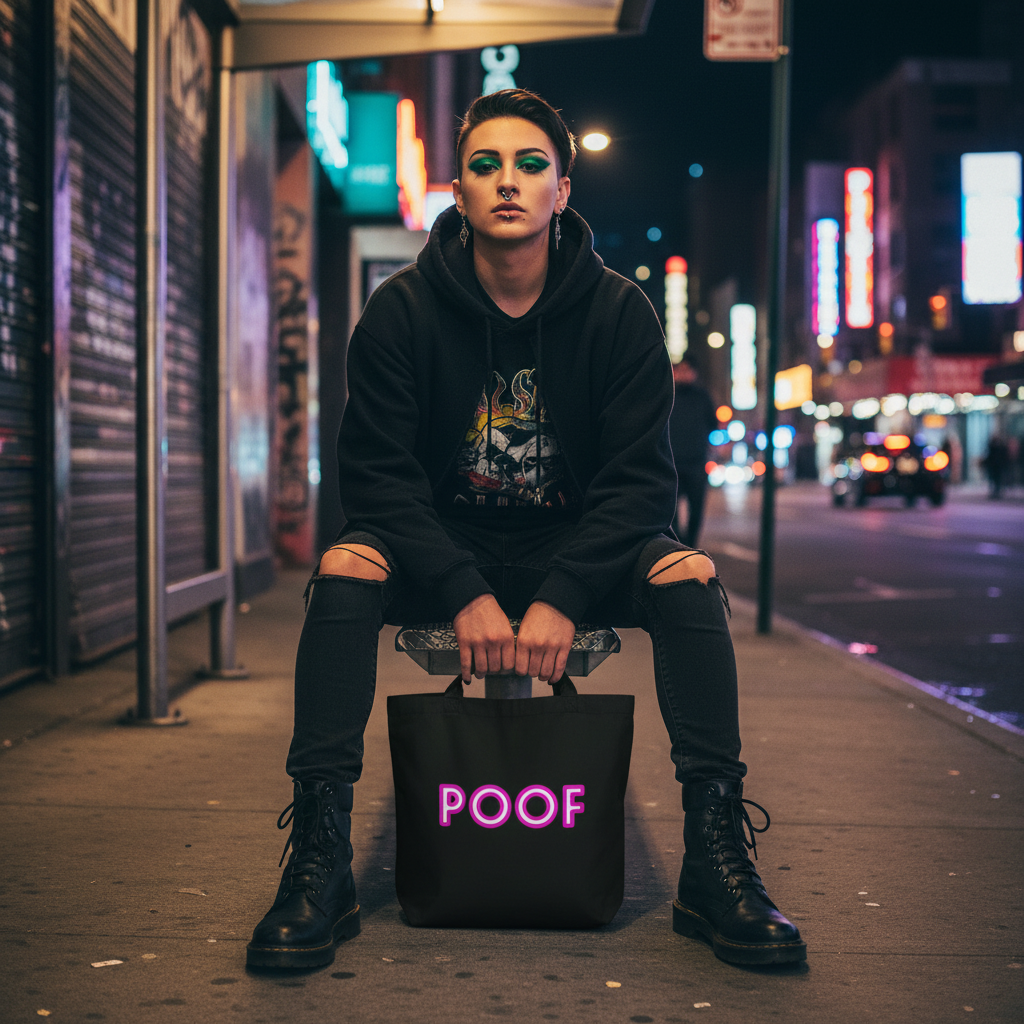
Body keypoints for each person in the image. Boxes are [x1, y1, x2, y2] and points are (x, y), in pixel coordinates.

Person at [246, 90, 805, 970]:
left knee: (687, 573)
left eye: (530, 164)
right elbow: (378, 480)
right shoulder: (400, 311)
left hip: (575, 551)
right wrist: (466, 591)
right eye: (485, 165)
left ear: (562, 190)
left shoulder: (620, 313)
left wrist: (564, 595)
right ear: (459, 193)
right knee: (346, 566)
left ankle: (715, 859)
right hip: (436, 552)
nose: (508, 181)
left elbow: (638, 486)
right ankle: (319, 859)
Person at [668, 358, 718, 547]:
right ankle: (678, 544)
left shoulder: (702, 397)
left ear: (695, 373)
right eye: (681, 370)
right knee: (670, 510)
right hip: (672, 463)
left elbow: (713, 424)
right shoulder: (669, 394)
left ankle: (691, 545)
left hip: (696, 463)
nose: (684, 374)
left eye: (688, 370)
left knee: (696, 509)